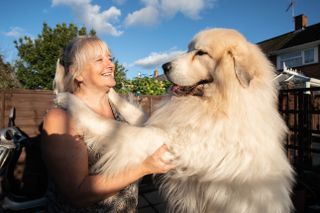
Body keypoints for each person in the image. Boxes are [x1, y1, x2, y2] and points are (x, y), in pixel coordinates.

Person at [41, 36, 174, 212]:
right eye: (99, 59)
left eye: (109, 58)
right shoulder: (61, 118)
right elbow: (77, 194)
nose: (110, 64)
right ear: (77, 73)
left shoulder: (124, 113)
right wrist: (145, 167)